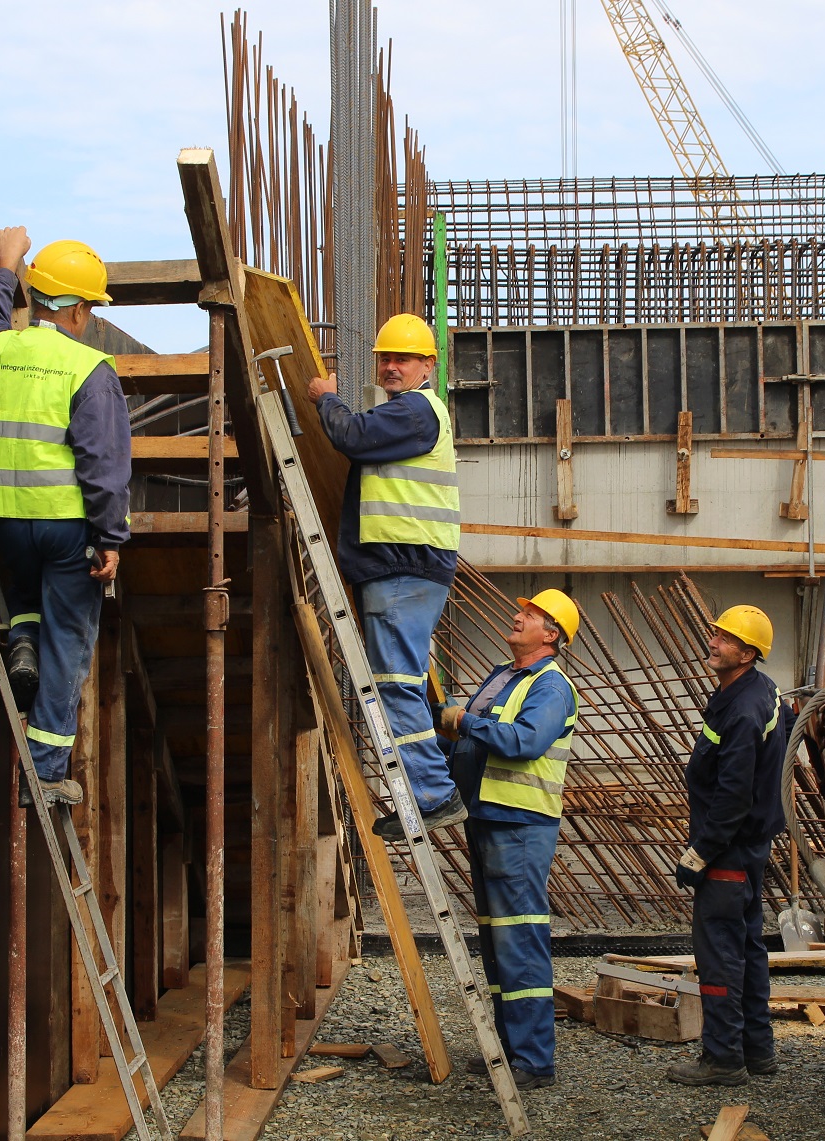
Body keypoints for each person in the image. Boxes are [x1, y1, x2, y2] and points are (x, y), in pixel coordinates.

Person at [0, 227, 130, 806]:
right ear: (82, 309)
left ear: (37, 298)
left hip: (5, 520)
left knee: (26, 600)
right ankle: (43, 769)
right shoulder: (89, 369)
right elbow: (103, 465)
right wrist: (111, 538)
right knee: (69, 641)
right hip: (65, 527)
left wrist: (7, 264)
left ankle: (21, 639)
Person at [306, 313, 465, 838]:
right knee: (403, 683)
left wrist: (324, 397)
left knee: (395, 685)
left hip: (403, 567)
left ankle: (433, 794)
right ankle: (430, 788)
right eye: (386, 358)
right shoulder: (410, 414)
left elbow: (350, 433)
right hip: (404, 567)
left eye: (403, 358)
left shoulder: (416, 413)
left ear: (428, 365)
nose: (392, 366)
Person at [438, 588, 581, 1091]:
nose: (517, 617)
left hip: (520, 825)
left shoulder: (551, 685)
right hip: (489, 817)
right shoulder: (505, 674)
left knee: (519, 939)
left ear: (552, 634)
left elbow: (524, 742)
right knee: (499, 942)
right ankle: (508, 1049)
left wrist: (466, 720)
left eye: (531, 615)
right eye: (522, 611)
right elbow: (469, 733)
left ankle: (535, 1060)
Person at [669, 604, 785, 1087]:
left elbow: (733, 794)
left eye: (724, 638)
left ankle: (722, 1059)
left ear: (747, 653)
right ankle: (757, 1051)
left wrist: (702, 852)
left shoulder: (742, 710)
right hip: (749, 846)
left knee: (719, 955)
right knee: (748, 950)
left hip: (729, 850)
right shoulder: (757, 692)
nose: (713, 642)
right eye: (715, 634)